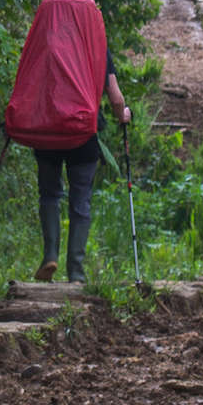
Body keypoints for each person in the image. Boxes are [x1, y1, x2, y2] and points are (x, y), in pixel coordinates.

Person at [35, 52, 130, 284]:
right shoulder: (95, 43)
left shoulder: (49, 41)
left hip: (48, 130)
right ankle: (76, 271)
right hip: (83, 132)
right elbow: (116, 98)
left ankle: (50, 256)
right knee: (80, 201)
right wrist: (123, 115)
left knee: (49, 195)